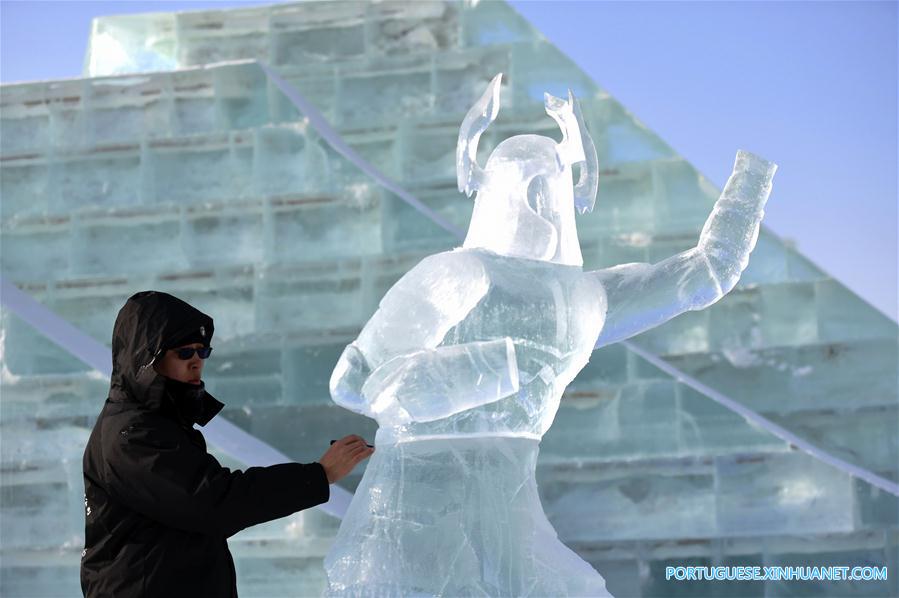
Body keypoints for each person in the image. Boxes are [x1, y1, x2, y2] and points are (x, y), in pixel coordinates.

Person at [80, 290, 373, 597]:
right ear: (147, 359)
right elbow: (213, 502)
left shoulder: (157, 425)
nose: (196, 362)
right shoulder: (131, 435)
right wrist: (318, 475)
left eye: (202, 352)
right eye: (184, 353)